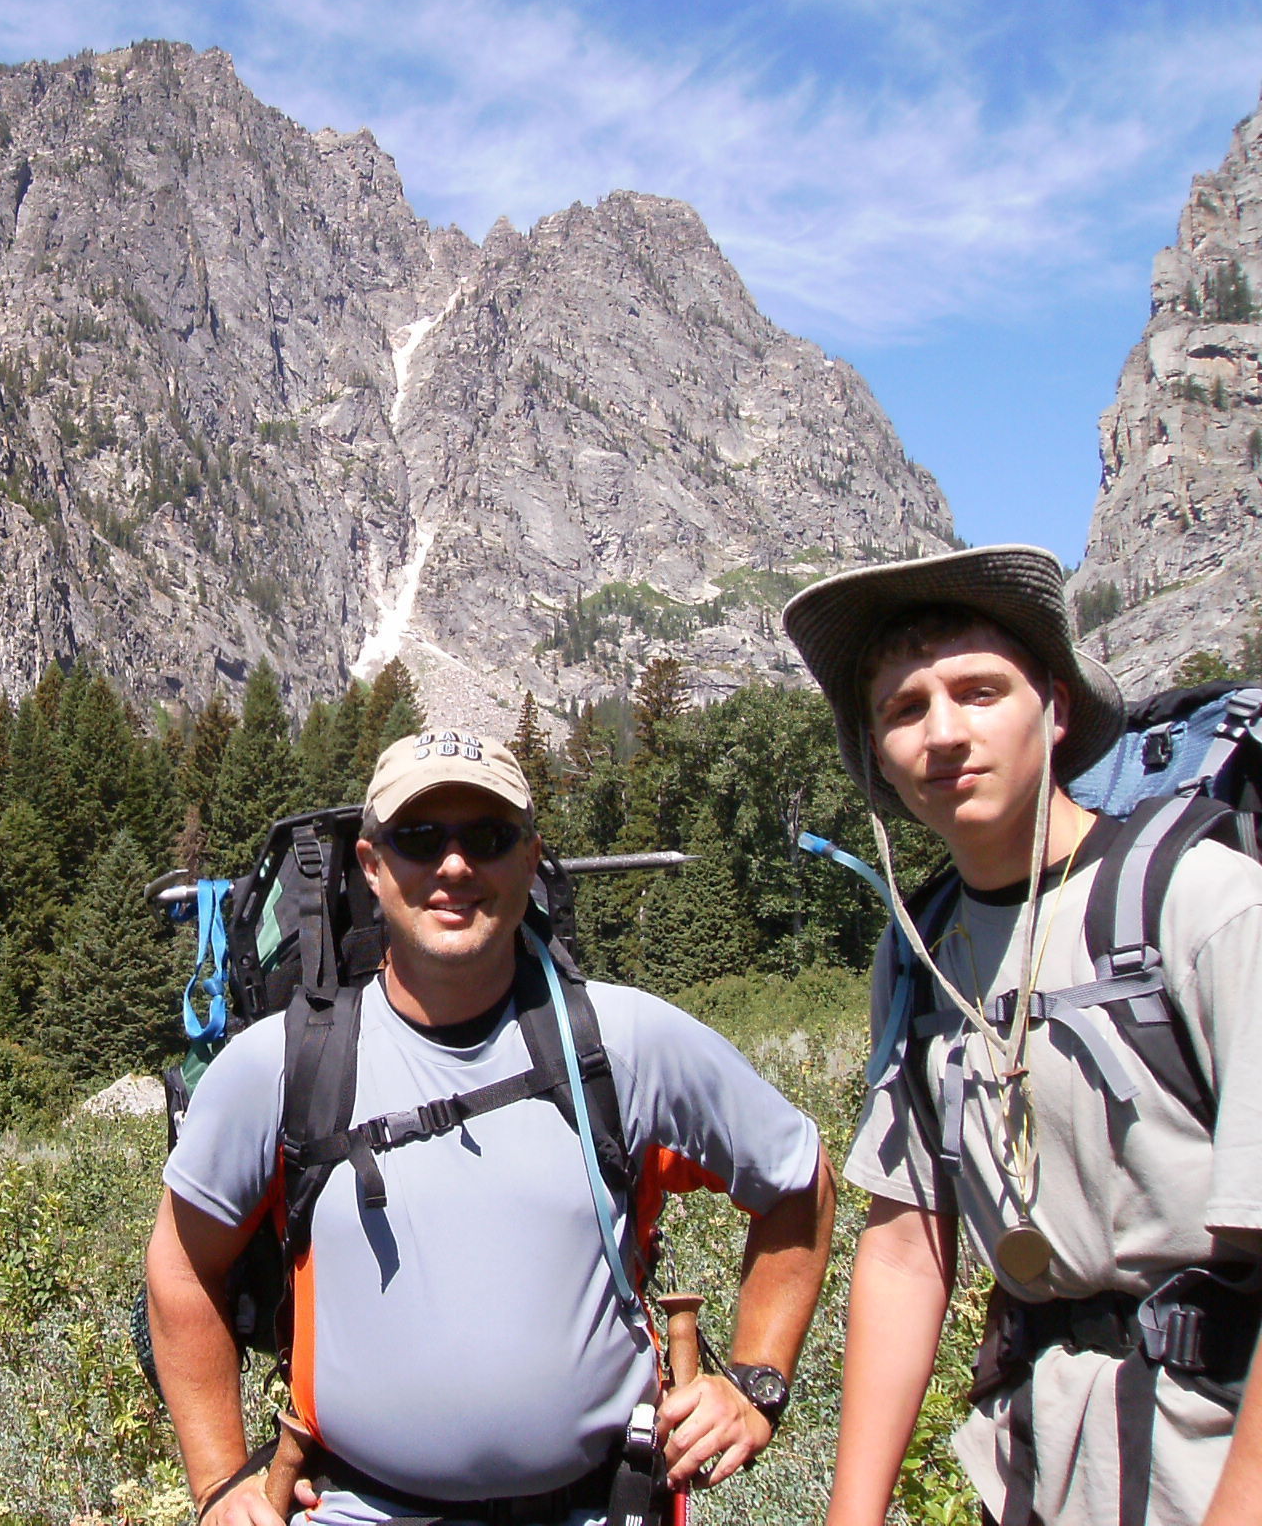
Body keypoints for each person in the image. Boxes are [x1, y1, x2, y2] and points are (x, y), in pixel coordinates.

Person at [144, 727, 836, 1525]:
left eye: (488, 837)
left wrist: (755, 1382)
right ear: (371, 865)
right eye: (418, 838)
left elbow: (798, 1182)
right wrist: (220, 1485)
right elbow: (182, 1268)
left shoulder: (627, 1042)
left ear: (530, 858)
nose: (454, 865)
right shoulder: (280, 1064)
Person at [782, 545, 1262, 1526]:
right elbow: (906, 1249)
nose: (942, 734)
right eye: (903, 709)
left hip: (1215, 1457)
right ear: (875, 753)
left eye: (979, 692)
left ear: (1055, 709)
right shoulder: (918, 956)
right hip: (1044, 1470)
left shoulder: (1200, 903)